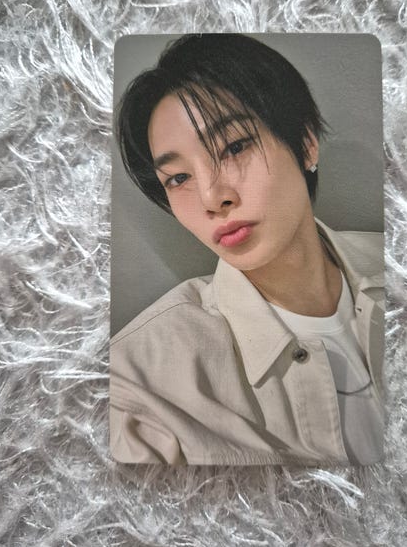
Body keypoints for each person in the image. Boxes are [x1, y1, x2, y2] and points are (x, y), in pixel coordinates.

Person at [110, 34, 384, 466]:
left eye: (235, 147)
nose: (212, 198)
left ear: (306, 142)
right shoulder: (140, 378)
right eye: (178, 178)